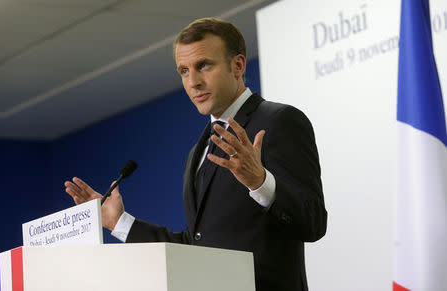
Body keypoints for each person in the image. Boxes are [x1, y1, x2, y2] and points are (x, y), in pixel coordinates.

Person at [65, 17, 327, 291]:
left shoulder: (279, 121)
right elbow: (196, 247)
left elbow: (313, 223)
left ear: (237, 65)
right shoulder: (197, 152)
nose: (193, 82)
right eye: (184, 71)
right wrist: (118, 222)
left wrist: (260, 182)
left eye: (203, 65)